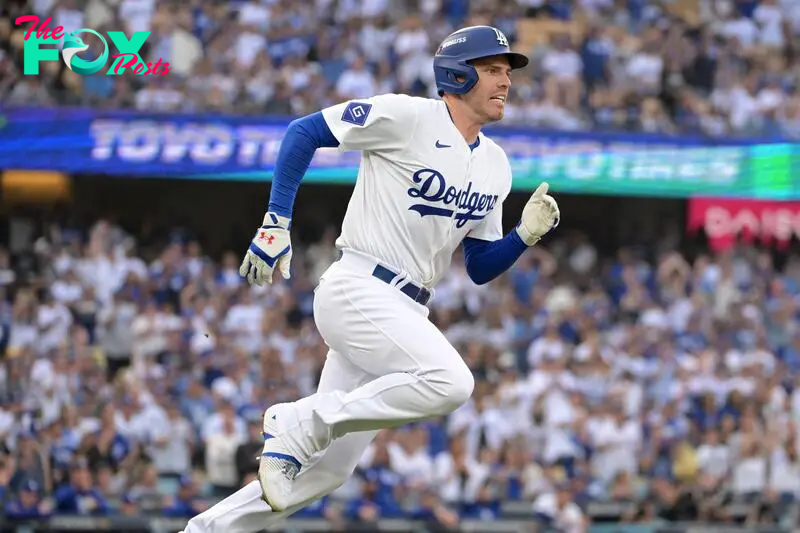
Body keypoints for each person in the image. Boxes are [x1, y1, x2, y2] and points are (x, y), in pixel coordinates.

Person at [182, 25, 560, 533]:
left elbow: (479, 266)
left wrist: (522, 237)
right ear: (457, 73)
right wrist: (276, 221)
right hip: (358, 286)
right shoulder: (407, 117)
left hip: (405, 309)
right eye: (492, 69)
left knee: (327, 472)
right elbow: (303, 132)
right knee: (452, 382)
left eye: (507, 72)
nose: (505, 82)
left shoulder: (496, 165)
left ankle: (205, 530)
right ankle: (300, 421)